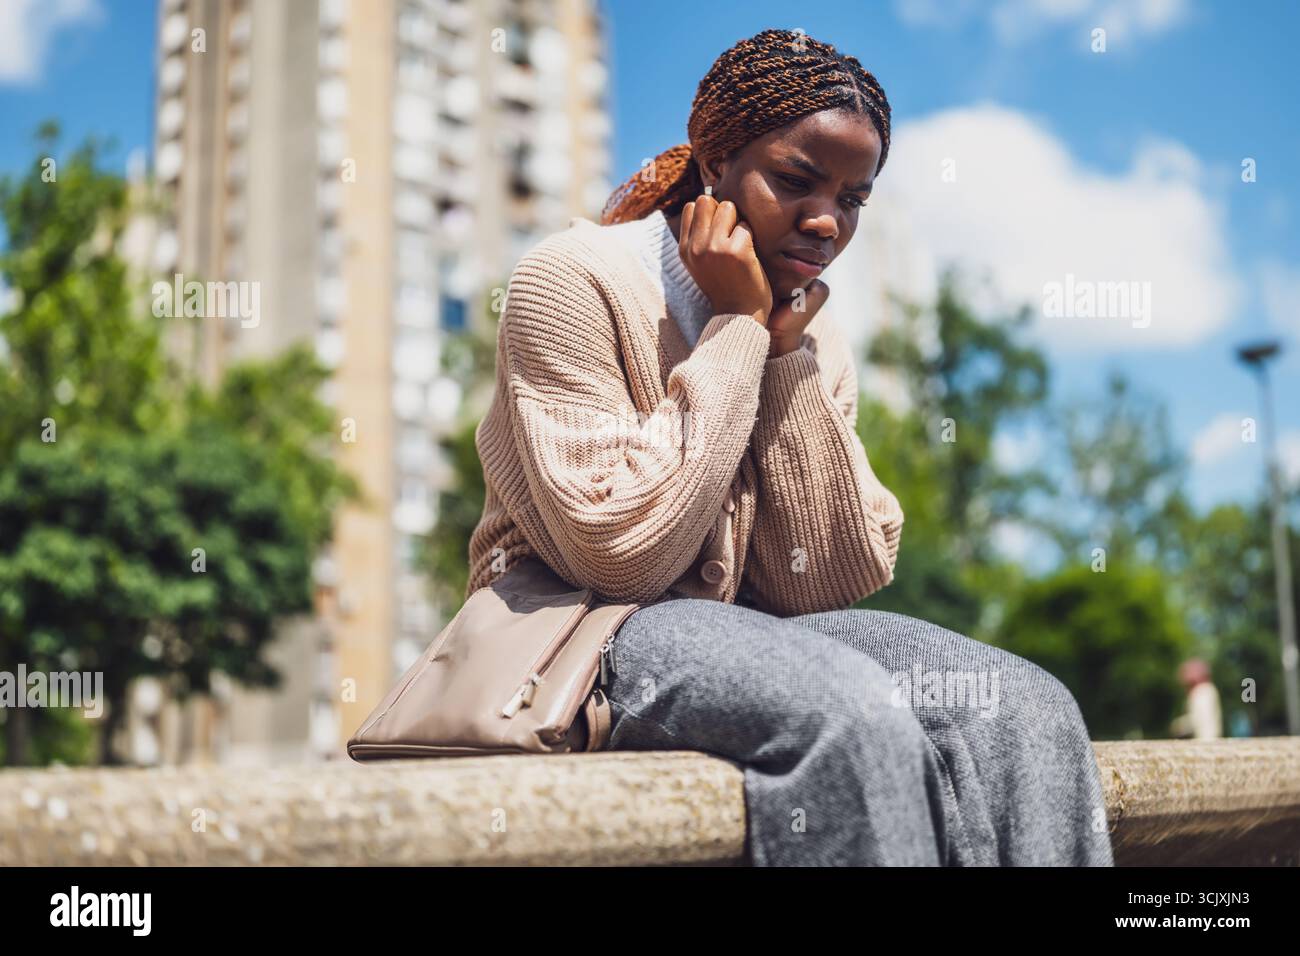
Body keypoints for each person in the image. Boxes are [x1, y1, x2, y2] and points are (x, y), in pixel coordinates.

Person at [466, 28, 1113, 866]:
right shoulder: (573, 278)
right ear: (715, 164)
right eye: (796, 181)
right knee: (848, 710)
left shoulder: (809, 323)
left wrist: (787, 359)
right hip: (583, 633)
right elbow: (618, 555)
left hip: (754, 639)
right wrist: (737, 332)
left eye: (853, 199)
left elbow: (833, 579)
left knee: (1027, 708)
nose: (824, 221)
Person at [1171, 659, 1223, 740]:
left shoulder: (1202, 690)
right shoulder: (1207, 689)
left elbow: (1199, 719)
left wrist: (1178, 726)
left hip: (1205, 741)